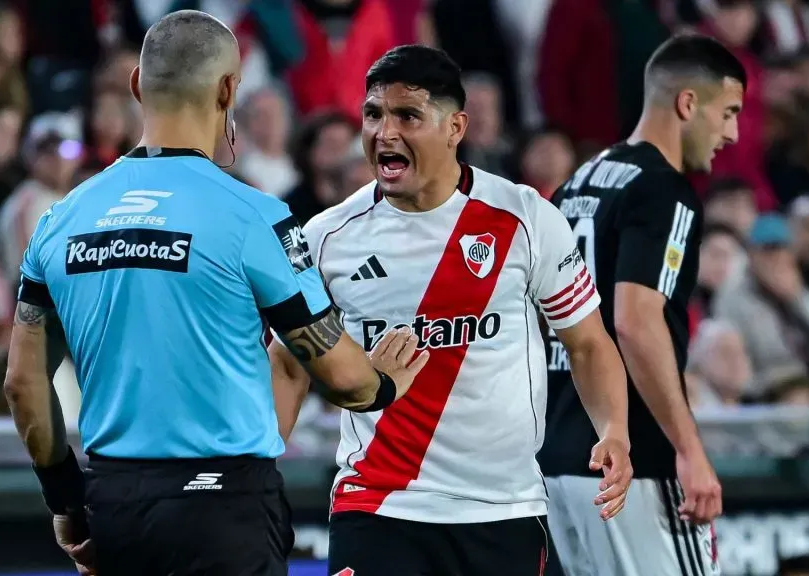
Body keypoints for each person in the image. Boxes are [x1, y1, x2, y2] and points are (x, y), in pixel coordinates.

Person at [1, 11, 428, 576]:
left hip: (117, 504)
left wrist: (67, 504)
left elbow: (22, 385)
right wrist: (384, 385)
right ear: (230, 88)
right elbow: (342, 377)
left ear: (136, 85)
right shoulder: (257, 216)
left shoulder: (61, 219)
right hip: (225, 510)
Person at [269, 45, 632, 576]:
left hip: (502, 510)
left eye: (407, 116)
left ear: (455, 127)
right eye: (373, 115)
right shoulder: (325, 238)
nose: (384, 132)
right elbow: (288, 363)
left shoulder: (526, 218)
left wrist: (615, 429)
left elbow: (587, 341)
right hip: (378, 508)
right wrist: (252, 470)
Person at [541, 35, 746, 576]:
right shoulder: (664, 189)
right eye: (728, 113)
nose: (733, 132)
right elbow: (635, 321)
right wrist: (688, 448)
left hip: (559, 458)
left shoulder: (576, 184)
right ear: (687, 104)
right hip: (633, 464)